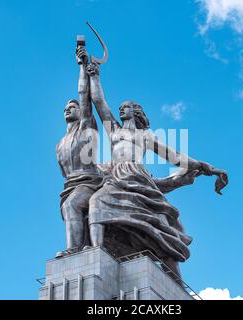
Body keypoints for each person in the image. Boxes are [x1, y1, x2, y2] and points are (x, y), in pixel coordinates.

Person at [85, 61, 228, 276]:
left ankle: (173, 276)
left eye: (127, 106)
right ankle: (95, 252)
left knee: (155, 226)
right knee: (96, 202)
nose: (121, 108)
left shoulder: (145, 136)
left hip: (138, 178)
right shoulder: (113, 128)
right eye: (121, 106)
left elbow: (176, 157)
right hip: (116, 176)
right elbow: (98, 101)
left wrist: (208, 167)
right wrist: (94, 75)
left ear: (136, 112)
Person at [55, 46, 103, 256]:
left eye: (72, 107)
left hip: (90, 182)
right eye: (65, 108)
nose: (68, 109)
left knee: (72, 205)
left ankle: (72, 250)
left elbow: (84, 94)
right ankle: (80, 246)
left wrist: (82, 66)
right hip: (71, 184)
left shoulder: (86, 127)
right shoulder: (60, 143)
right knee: (69, 206)